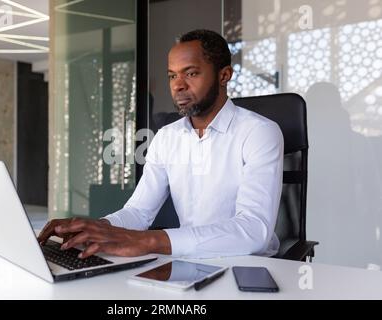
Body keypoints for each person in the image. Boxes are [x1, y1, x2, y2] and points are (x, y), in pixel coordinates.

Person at [38, 29, 284, 259]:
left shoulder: (260, 132)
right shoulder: (167, 137)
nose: (178, 85)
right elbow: (138, 212)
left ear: (224, 76)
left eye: (191, 73)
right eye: (172, 76)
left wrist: (150, 241)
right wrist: (98, 228)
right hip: (189, 261)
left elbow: (254, 231)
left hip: (248, 265)